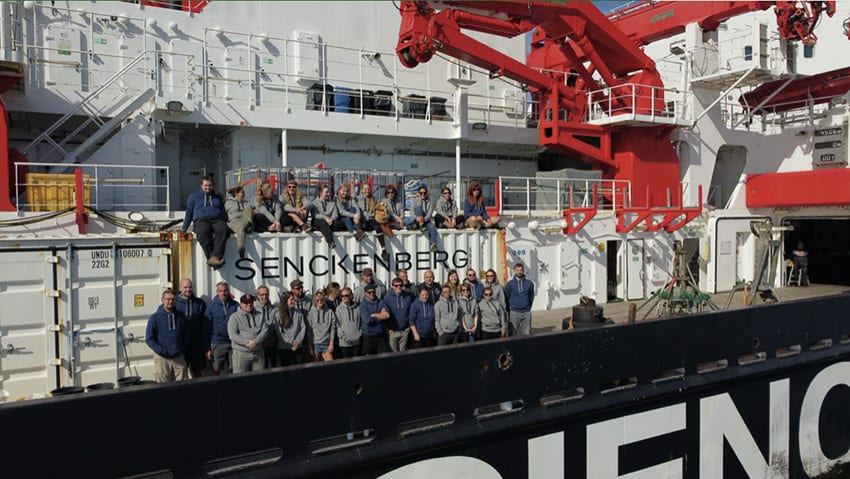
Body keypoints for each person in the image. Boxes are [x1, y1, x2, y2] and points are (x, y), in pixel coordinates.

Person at [182, 175, 229, 268]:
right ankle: (212, 258)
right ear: (201, 185)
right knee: (203, 231)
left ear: (213, 186)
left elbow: (223, 212)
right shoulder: (193, 197)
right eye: (205, 185)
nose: (208, 187)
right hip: (201, 220)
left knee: (224, 229)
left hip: (216, 219)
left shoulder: (217, 197)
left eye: (210, 185)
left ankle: (215, 257)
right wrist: (184, 228)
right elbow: (189, 213)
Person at [145, 289, 188, 383]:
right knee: (162, 387)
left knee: (184, 385)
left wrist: (181, 348)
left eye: (173, 299)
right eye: (168, 299)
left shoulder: (181, 316)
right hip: (162, 358)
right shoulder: (154, 318)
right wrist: (162, 351)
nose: (170, 301)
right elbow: (149, 339)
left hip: (178, 357)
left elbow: (186, 334)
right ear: (162, 300)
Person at [228, 293, 269, 373]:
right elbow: (232, 335)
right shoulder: (234, 317)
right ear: (241, 304)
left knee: (259, 380)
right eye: (246, 303)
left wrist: (255, 342)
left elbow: (265, 330)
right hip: (241, 354)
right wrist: (246, 342)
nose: (249, 304)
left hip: (258, 353)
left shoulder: (260, 315)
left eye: (251, 302)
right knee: (240, 381)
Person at [175, 278, 207, 379]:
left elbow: (204, 325)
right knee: (182, 373)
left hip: (196, 344)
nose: (188, 289)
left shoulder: (199, 303)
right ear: (180, 288)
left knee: (198, 372)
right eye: (185, 287)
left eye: (190, 287)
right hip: (181, 344)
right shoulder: (174, 302)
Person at [205, 281, 238, 375]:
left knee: (233, 368)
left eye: (225, 290)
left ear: (228, 291)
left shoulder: (235, 305)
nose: (223, 293)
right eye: (220, 291)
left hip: (232, 342)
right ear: (217, 292)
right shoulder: (211, 307)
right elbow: (205, 329)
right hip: (217, 343)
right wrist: (207, 348)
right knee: (217, 369)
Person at [356, 182, 390, 261]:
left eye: (368, 189)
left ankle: (383, 249)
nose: (367, 191)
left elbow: (378, 205)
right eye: (365, 189)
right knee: (363, 226)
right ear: (362, 190)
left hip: (371, 219)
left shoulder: (373, 199)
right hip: (363, 219)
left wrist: (383, 206)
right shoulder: (357, 199)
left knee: (378, 227)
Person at [273, 292, 306, 366]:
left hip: (298, 346)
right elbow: (279, 332)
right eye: (291, 300)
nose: (293, 301)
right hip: (284, 348)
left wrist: (297, 342)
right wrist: (290, 342)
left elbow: (303, 327)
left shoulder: (298, 313)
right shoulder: (278, 314)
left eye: (293, 299)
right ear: (285, 301)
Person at [405, 185, 439, 251]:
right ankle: (420, 225)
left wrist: (424, 219)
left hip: (425, 220)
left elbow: (430, 213)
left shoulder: (429, 202)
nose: (423, 194)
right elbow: (411, 211)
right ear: (418, 193)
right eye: (421, 193)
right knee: (418, 209)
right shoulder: (414, 201)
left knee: (432, 227)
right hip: (417, 219)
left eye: (424, 193)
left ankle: (433, 244)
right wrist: (416, 218)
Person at [359, 284, 390, 355]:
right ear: (365, 293)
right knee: (369, 359)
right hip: (368, 336)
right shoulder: (363, 304)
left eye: (373, 292)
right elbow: (367, 320)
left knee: (384, 357)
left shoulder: (381, 301)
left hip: (380, 335)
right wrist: (380, 316)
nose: (372, 294)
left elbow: (387, 315)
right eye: (369, 292)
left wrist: (374, 315)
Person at [504, 262, 534, 336]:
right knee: (512, 334)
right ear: (514, 271)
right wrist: (509, 309)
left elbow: (531, 296)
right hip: (514, 312)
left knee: (527, 334)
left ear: (523, 271)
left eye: (521, 270)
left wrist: (528, 307)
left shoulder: (529, 283)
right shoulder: (509, 284)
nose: (519, 272)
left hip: (526, 312)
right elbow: (506, 297)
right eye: (517, 270)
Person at [384, 277, 413, 352]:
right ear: (392, 286)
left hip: (405, 331)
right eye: (396, 285)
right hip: (392, 331)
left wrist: (409, 326)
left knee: (403, 354)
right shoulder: (387, 298)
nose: (398, 287)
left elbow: (411, 312)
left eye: (400, 285)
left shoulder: (408, 297)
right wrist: (387, 328)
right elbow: (384, 313)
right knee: (393, 353)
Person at [307, 291, 337, 361]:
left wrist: (331, 343)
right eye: (317, 300)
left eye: (322, 300)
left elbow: (333, 328)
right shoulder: (311, 313)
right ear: (314, 301)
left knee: (331, 365)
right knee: (317, 368)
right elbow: (309, 330)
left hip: (326, 343)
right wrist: (310, 346)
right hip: (315, 343)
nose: (320, 301)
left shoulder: (330, 312)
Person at [224, 186, 252, 258]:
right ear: (236, 193)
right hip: (234, 220)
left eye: (243, 193)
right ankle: (241, 247)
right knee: (240, 227)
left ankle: (248, 225)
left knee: (249, 206)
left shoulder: (245, 202)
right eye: (242, 192)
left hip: (245, 219)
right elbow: (224, 213)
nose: (243, 194)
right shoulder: (228, 202)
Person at [255, 285, 278, 368]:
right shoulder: (253, 309)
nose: (264, 296)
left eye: (266, 294)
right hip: (259, 345)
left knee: (273, 367)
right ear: (257, 295)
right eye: (262, 294)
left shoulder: (274, 309)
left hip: (272, 343)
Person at [334, 287, 361, 358]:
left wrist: (359, 334)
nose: (344, 297)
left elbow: (360, 322)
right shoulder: (339, 309)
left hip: (356, 342)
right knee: (346, 365)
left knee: (356, 364)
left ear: (351, 296)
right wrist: (343, 337)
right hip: (344, 343)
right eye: (342, 296)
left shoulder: (357, 308)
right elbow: (337, 325)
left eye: (346, 295)